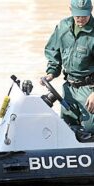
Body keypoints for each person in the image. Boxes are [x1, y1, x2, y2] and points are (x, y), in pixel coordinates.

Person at [41, 0, 94, 133]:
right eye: (77, 15)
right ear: (70, 9)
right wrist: (51, 73)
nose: (80, 19)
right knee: (67, 127)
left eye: (84, 15)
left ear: (91, 9)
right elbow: (53, 51)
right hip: (69, 87)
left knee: (90, 128)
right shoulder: (63, 27)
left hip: (89, 90)